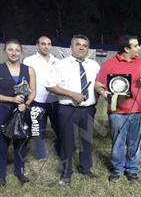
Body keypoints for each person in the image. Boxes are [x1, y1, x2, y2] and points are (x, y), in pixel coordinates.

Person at [95, 35, 141, 182]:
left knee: (135, 142)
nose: (139, 48)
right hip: (117, 112)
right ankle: (117, 169)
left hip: (138, 111)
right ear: (126, 49)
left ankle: (132, 170)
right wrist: (104, 93)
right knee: (118, 142)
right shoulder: (109, 64)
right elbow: (98, 84)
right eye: (135, 46)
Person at [46, 34, 100, 186]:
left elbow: (98, 85)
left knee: (86, 140)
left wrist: (95, 101)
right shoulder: (60, 64)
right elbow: (50, 85)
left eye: (85, 45)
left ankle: (85, 168)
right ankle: (66, 173)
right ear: (71, 47)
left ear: (88, 49)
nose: (82, 47)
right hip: (67, 109)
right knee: (67, 142)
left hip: (88, 109)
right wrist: (71, 94)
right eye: (78, 44)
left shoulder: (94, 65)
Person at [0, 39, 36, 186]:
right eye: (10, 49)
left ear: (21, 52)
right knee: (2, 144)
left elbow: (33, 91)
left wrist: (26, 104)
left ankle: (19, 171)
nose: (14, 52)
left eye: (17, 50)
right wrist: (12, 99)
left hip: (23, 112)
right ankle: (1, 175)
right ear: (4, 52)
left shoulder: (29, 70)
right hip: (3, 111)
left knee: (21, 143)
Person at [23, 36, 60, 162]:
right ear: (37, 46)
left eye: (49, 44)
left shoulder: (57, 61)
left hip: (54, 100)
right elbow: (25, 80)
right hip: (37, 99)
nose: (46, 46)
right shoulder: (29, 61)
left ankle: (60, 149)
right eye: (43, 44)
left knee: (59, 127)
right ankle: (41, 155)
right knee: (38, 128)